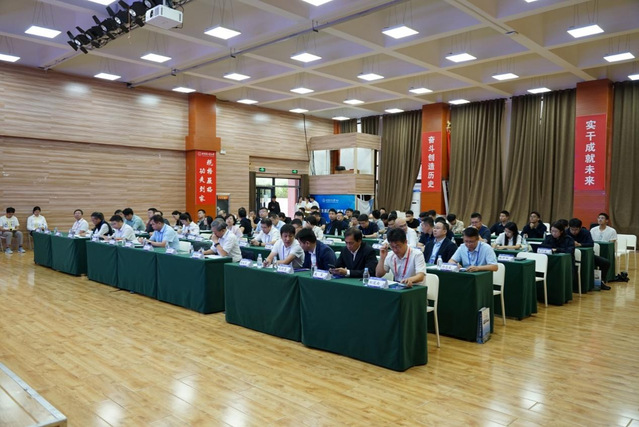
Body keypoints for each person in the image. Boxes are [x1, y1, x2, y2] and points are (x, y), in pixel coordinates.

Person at [569, 218, 611, 290]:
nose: (574, 232)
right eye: (572, 229)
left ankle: (600, 282)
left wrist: (580, 244)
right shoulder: (566, 233)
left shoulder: (585, 232)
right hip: (571, 256)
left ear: (580, 228)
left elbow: (591, 244)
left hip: (587, 256)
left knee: (606, 262)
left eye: (576, 230)